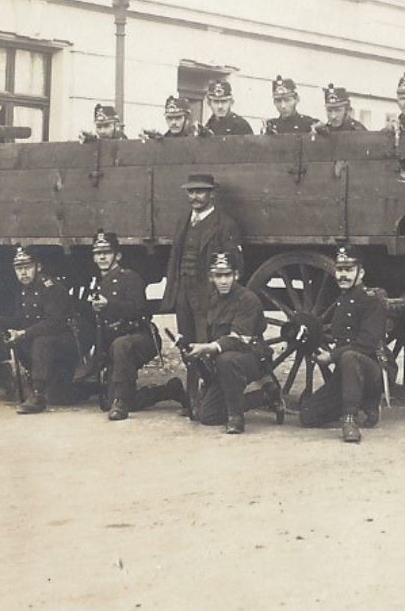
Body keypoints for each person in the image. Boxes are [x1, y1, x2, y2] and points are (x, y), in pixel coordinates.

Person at [159, 173, 244, 412]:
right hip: (184, 292)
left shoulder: (225, 225)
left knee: (206, 344)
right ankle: (192, 397)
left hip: (207, 294)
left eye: (200, 192)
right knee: (186, 344)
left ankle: (211, 399)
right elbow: (176, 258)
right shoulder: (184, 221)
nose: (195, 197)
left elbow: (235, 265)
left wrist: (219, 295)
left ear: (212, 194)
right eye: (191, 192)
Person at [87, 231, 187, 420]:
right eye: (98, 253)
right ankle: (168, 390)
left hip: (140, 338)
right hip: (114, 344)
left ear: (117, 256)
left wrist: (109, 305)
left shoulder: (130, 278)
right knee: (109, 401)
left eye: (107, 252)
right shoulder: (97, 283)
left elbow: (138, 309)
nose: (102, 257)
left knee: (121, 346)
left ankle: (121, 403)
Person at [298, 247, 387, 442]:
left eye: (349, 270)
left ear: (360, 273)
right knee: (308, 416)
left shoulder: (372, 300)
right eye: (340, 270)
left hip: (372, 372)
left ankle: (350, 418)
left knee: (349, 357)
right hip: (347, 373)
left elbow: (366, 344)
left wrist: (331, 356)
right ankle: (359, 401)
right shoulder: (341, 300)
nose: (343, 276)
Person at [186, 251, 273, 435]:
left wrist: (209, 348)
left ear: (236, 275)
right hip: (222, 361)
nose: (223, 281)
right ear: (211, 277)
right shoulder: (211, 299)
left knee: (227, 359)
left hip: (251, 358)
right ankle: (266, 396)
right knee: (207, 416)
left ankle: (236, 417)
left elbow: (240, 339)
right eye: (218, 276)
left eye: (227, 275)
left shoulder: (247, 299)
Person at [1, 247, 77, 414]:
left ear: (38, 267)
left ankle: (38, 395)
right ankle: (40, 384)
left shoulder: (50, 288)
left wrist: (22, 333)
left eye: (27, 267)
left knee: (40, 341)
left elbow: (53, 324)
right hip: (44, 344)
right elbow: (21, 319)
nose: (23, 273)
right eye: (19, 269)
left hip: (64, 344)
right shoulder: (23, 290)